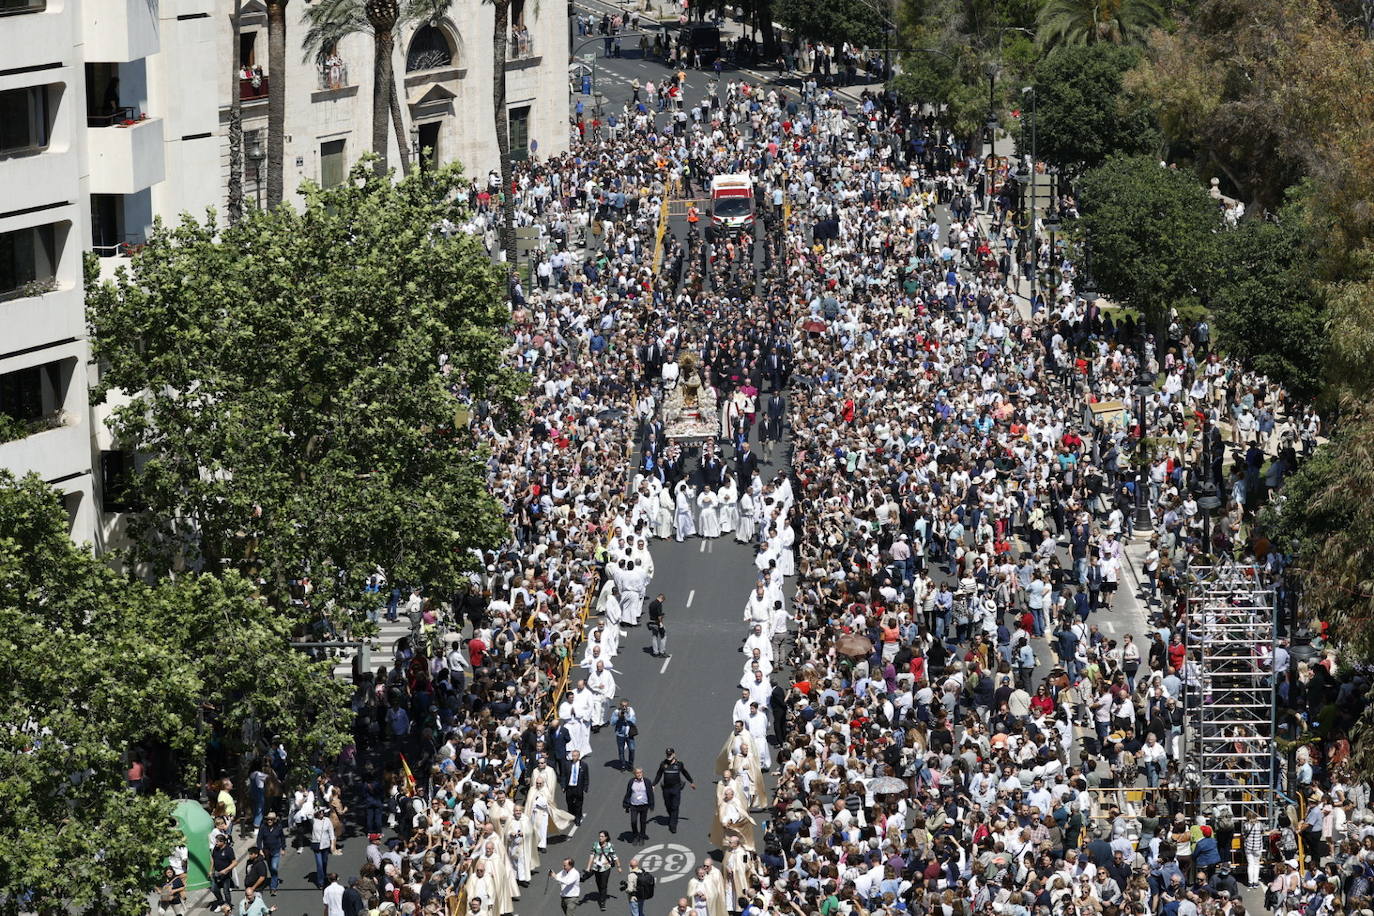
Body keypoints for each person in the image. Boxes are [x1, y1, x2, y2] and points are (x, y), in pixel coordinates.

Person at [652, 747, 696, 834]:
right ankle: (672, 817)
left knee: (675, 807)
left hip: (676, 788)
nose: (669, 756)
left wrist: (691, 781)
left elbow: (685, 772)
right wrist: (653, 785)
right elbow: (659, 775)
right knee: (668, 806)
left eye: (670, 754)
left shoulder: (679, 764)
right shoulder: (663, 764)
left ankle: (673, 825)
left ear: (674, 754)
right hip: (666, 789)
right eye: (667, 754)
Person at [586, 831, 622, 911]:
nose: (600, 838)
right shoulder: (595, 845)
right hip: (596, 867)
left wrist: (619, 867)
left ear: (606, 837)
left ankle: (602, 902)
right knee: (598, 883)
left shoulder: (610, 846)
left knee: (603, 884)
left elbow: (615, 857)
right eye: (599, 836)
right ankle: (602, 893)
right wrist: (588, 867)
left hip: (606, 867)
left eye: (602, 836)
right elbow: (591, 856)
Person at [254, 811, 287, 894]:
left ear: (275, 820)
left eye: (271, 820)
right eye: (268, 819)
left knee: (274, 867)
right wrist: (260, 849)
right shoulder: (263, 827)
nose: (269, 821)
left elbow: (282, 838)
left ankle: (273, 887)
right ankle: (275, 879)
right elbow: (259, 839)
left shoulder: (278, 827)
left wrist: (283, 848)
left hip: (276, 850)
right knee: (271, 869)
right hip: (267, 851)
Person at [622, 767, 655, 841]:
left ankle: (642, 834)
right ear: (634, 774)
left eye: (640, 772)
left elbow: (650, 794)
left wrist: (652, 805)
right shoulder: (631, 782)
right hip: (634, 805)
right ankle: (635, 834)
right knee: (633, 821)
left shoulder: (647, 781)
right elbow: (628, 793)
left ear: (642, 773)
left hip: (644, 805)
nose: (639, 774)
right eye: (637, 773)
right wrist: (625, 805)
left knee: (643, 821)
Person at [210, 834, 238, 908]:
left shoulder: (229, 850)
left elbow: (235, 862)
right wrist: (211, 870)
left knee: (226, 891)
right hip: (216, 873)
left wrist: (226, 870)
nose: (216, 843)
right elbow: (212, 860)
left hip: (225, 875)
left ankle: (228, 905)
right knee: (213, 889)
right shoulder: (215, 849)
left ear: (223, 842)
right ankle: (221, 901)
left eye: (217, 842)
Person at [310, 807, 335, 888]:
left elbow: (331, 834)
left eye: (322, 811)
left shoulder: (327, 820)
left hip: (325, 845)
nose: (321, 813)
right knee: (319, 864)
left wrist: (332, 845)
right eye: (319, 811)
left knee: (324, 863)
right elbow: (308, 815)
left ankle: (324, 877)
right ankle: (321, 882)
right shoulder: (313, 820)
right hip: (316, 846)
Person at [563, 749, 589, 825]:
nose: (573, 757)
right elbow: (564, 776)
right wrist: (563, 786)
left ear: (578, 756)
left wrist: (585, 787)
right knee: (569, 803)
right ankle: (571, 816)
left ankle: (578, 818)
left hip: (578, 787)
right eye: (572, 755)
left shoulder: (584, 765)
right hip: (569, 787)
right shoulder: (567, 764)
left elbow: (586, 777)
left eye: (575, 756)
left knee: (579, 803)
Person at [613, 700, 638, 770]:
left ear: (628, 705)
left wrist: (627, 717)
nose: (624, 707)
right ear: (620, 705)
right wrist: (618, 717)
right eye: (622, 706)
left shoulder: (631, 711)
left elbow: (634, 721)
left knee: (632, 750)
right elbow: (612, 722)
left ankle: (630, 765)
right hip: (620, 735)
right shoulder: (616, 712)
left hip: (629, 734)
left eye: (625, 706)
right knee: (621, 750)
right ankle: (623, 764)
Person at [647, 593, 668, 658]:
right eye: (663, 600)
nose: (662, 602)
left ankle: (655, 652)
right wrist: (661, 623)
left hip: (651, 622)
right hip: (657, 623)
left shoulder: (651, 603)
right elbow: (659, 616)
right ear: (661, 598)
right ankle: (662, 652)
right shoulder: (658, 604)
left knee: (654, 637)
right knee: (663, 636)